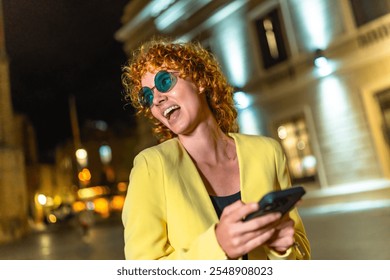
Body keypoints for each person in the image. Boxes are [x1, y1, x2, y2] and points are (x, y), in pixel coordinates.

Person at [120, 37, 311, 260]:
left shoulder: (267, 153)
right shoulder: (151, 167)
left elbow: (302, 252)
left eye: (164, 82)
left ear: (199, 80)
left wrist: (282, 249)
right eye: (147, 96)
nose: (158, 100)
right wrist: (217, 247)